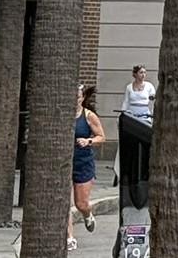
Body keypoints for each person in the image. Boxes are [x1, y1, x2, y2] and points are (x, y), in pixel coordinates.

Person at [68, 84, 105, 248]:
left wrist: (88, 140)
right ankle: (70, 237)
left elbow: (101, 137)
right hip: (66, 162)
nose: (75, 100)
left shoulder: (89, 116)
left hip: (83, 162)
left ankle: (87, 215)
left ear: (82, 98)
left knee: (81, 203)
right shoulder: (64, 114)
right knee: (65, 204)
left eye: (78, 97)